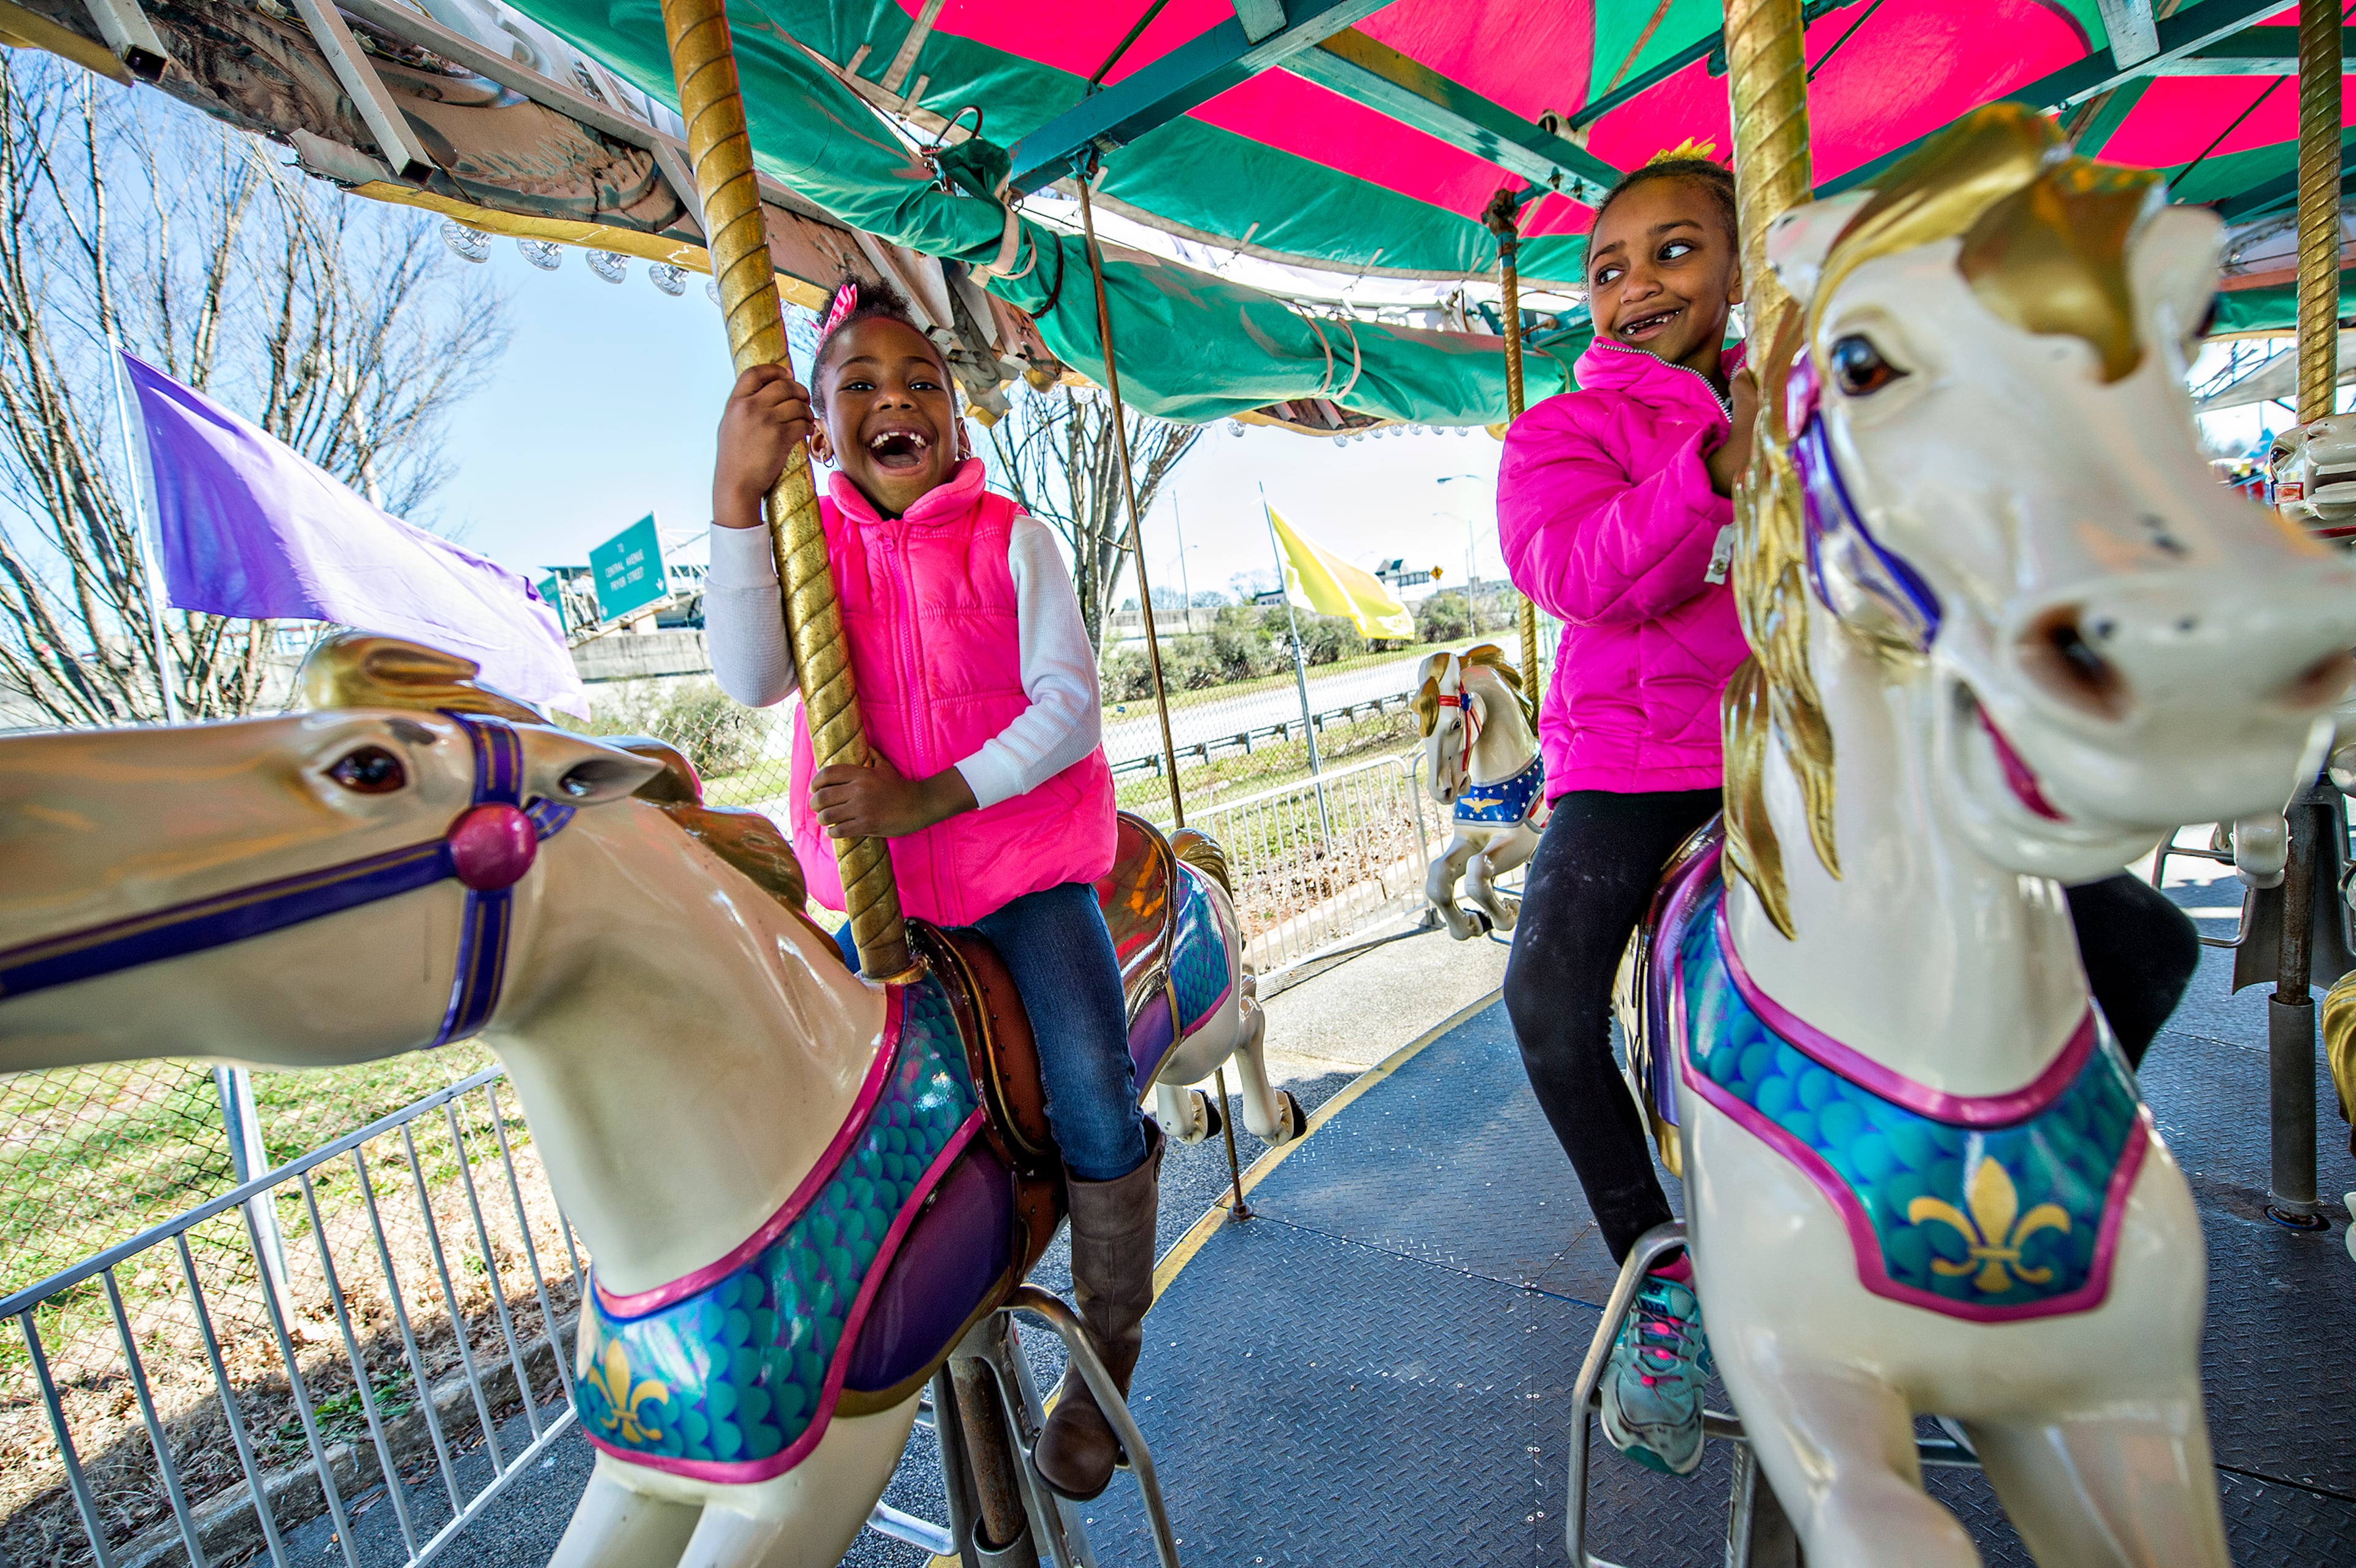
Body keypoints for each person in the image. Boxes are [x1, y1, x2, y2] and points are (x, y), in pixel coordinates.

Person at [1496, 154, 2200, 1479]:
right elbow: (1569, 573)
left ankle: (2031, 1177)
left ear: (1742, 262)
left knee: (2141, 941)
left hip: (1825, 737)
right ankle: (1656, 1266)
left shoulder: (1820, 389)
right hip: (1641, 762)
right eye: (1608, 266)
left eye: (1675, 251)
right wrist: (1719, 457)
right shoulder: (1564, 431)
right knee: (1543, 997)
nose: (1636, 284)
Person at [703, 277, 1153, 1502]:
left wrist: (930, 798)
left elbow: (1068, 709)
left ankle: (1109, 1332)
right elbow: (749, 677)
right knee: (847, 1125)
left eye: (923, 385)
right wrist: (736, 499)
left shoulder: (1016, 536)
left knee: (1090, 1089)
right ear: (817, 422)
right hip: (880, 899)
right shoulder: (806, 544)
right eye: (860, 384)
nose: (895, 400)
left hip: (1018, 872)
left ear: (958, 421)